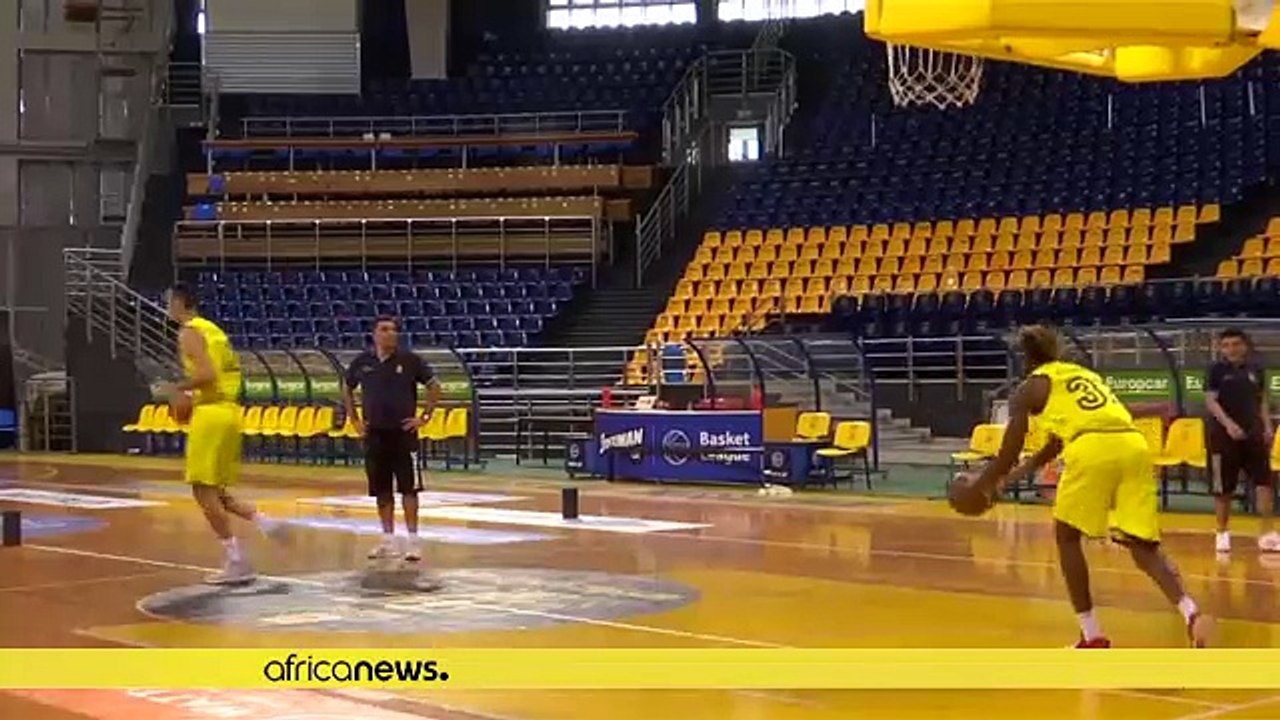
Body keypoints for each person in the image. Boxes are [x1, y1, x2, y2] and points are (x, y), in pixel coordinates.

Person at [961, 325, 1211, 648]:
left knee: (1067, 536)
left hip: (1092, 446)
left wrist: (982, 484)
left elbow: (1009, 450)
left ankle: (1092, 635)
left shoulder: (1029, 388)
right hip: (1133, 445)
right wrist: (1009, 481)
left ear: (1026, 359)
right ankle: (1190, 612)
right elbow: (1053, 447)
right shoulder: (1083, 376)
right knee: (1142, 545)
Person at [165, 283, 286, 585]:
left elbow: (207, 375)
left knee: (201, 490)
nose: (168, 308)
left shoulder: (190, 331)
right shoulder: (214, 330)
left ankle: (237, 560)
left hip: (211, 412)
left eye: (170, 302)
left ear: (179, 302)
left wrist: (177, 388)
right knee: (215, 490)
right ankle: (264, 521)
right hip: (229, 411)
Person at [343, 316, 441, 561]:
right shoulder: (362, 362)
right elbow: (347, 387)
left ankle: (413, 541)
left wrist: (424, 416)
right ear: (374, 334)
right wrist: (354, 419)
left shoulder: (410, 361)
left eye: (394, 330)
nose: (390, 334)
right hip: (374, 434)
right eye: (384, 329)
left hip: (403, 434)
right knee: (381, 490)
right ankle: (388, 540)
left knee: (409, 489)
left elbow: (434, 386)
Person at [1204, 327, 1278, 553]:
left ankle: (1268, 533)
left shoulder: (1256, 369)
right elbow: (1211, 401)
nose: (1231, 349)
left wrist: (1267, 426)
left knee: (1264, 483)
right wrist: (1229, 425)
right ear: (1220, 349)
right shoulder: (1215, 370)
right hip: (1222, 437)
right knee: (1223, 488)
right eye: (1226, 346)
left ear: (1245, 346)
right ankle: (1222, 532)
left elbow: (1262, 399)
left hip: (1253, 434)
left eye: (1236, 344)